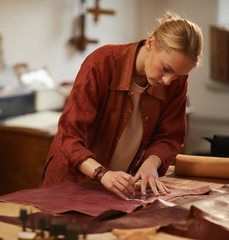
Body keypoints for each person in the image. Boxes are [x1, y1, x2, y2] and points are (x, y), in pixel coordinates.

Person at [42, 11, 203, 200]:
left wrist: (151, 163)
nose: (168, 81)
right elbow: (69, 136)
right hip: (71, 183)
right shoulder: (102, 63)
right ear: (151, 43)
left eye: (178, 75)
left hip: (117, 187)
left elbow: (170, 136)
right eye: (166, 69)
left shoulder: (175, 81)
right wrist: (102, 174)